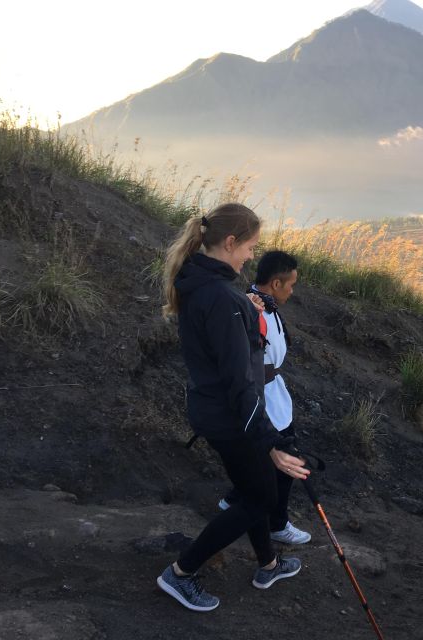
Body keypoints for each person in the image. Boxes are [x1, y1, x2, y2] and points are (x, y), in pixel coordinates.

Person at [156, 203, 310, 612]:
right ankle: (182, 571)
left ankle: (269, 563)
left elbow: (220, 341)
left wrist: (243, 311)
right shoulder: (224, 298)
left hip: (212, 410)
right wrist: (270, 441)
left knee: (251, 490)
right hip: (232, 417)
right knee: (259, 498)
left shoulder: (201, 282)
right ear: (229, 243)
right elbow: (238, 380)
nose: (250, 256)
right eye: (249, 248)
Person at [218, 251, 311, 545]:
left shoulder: (264, 305)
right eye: (290, 285)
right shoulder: (251, 309)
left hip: (272, 392)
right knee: (284, 460)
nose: (292, 291)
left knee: (260, 456)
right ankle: (276, 524)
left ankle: (235, 498)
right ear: (275, 283)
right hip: (262, 396)